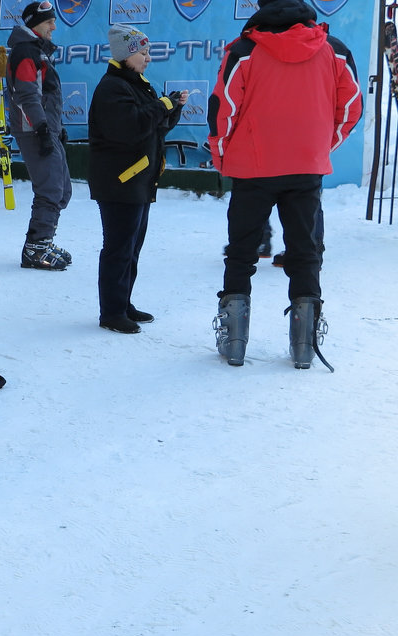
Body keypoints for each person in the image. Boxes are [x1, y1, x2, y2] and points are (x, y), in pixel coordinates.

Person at [207, 0, 360, 368]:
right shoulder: (334, 49)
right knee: (305, 252)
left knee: (242, 253)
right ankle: (304, 347)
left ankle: (234, 344)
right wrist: (321, 146)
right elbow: (351, 106)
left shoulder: (244, 50)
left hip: (252, 169)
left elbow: (223, 108)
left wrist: (224, 157)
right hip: (305, 167)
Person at [86, 24, 186, 334]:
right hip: (119, 182)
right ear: (126, 55)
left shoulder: (137, 85)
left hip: (138, 181)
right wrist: (163, 105)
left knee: (131, 248)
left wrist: (173, 110)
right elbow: (129, 128)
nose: (148, 59)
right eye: (143, 53)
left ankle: (122, 303)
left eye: (148, 52)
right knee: (118, 248)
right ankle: (112, 313)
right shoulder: (112, 88)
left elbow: (152, 128)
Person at [6, 1, 71, 271]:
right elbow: (27, 94)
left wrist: (55, 126)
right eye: (48, 22)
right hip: (33, 129)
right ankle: (36, 247)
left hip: (45, 126)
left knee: (62, 189)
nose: (54, 26)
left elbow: (45, 95)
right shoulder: (25, 51)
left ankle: (43, 241)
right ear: (35, 24)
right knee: (51, 187)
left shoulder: (36, 51)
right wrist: (43, 128)